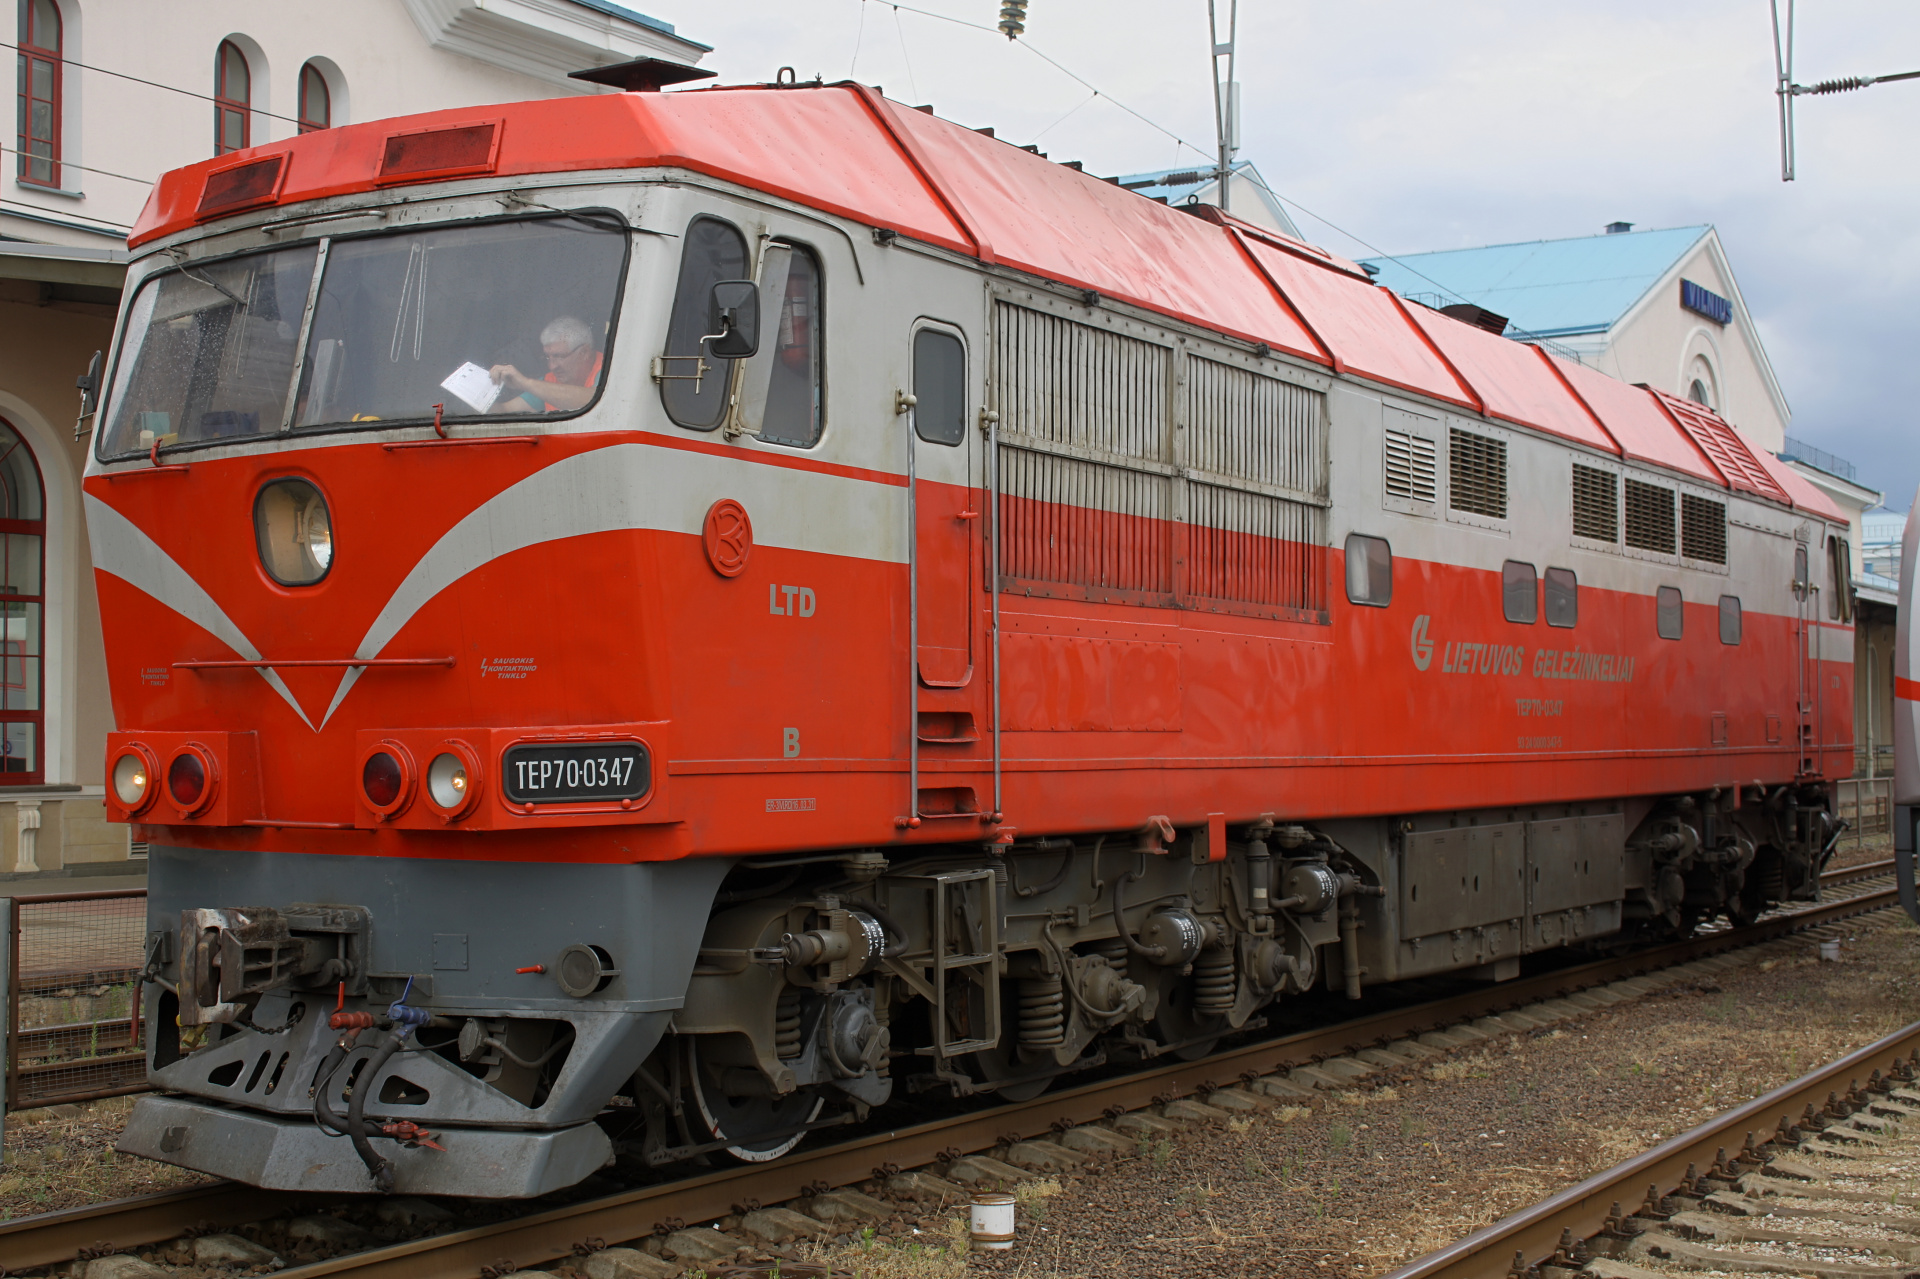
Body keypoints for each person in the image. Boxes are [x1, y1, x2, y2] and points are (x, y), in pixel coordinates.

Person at [490, 316, 603, 413]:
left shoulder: (610, 370)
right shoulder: (549, 380)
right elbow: (504, 410)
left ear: (584, 352)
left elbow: (594, 400)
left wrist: (524, 382)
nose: (552, 366)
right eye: (548, 357)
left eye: (559, 356)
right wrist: (476, 399)